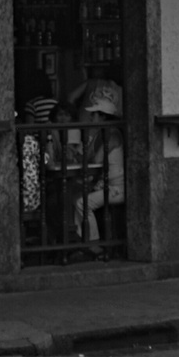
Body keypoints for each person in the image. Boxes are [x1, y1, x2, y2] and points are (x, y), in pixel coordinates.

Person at [73, 95, 125, 257]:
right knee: (76, 198)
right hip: (106, 185)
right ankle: (84, 241)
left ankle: (94, 244)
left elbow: (95, 159)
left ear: (103, 116)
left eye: (94, 114)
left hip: (117, 188)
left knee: (82, 203)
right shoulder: (101, 134)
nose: (91, 117)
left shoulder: (112, 134)